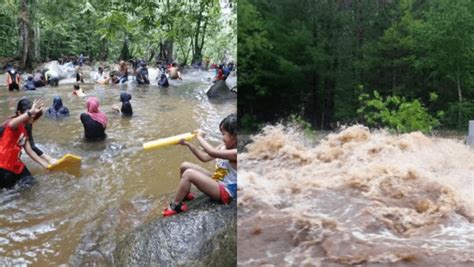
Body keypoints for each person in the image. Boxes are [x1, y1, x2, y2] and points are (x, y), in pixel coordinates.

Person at [162, 113, 237, 216]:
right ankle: (185, 192)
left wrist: (199, 137)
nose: (222, 138)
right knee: (185, 166)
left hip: (225, 192)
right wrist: (189, 144)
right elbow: (205, 157)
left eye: (223, 134)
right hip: (216, 180)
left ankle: (176, 206)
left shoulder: (235, 153)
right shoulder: (223, 146)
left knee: (189, 174)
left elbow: (211, 152)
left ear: (234, 136)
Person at [0, 98, 50, 189]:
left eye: (33, 115)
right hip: (3, 166)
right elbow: (11, 124)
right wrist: (30, 112)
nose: (32, 117)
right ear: (19, 113)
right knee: (10, 195)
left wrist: (45, 164)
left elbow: (30, 151)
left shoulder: (24, 129)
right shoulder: (11, 124)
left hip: (16, 165)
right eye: (30, 114)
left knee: (33, 186)